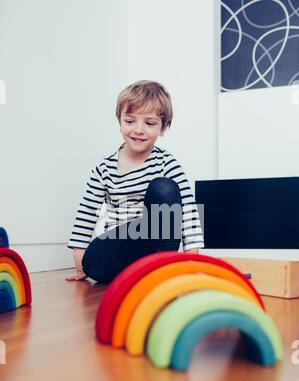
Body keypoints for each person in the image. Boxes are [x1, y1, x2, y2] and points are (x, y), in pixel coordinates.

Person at [66, 80, 203, 283]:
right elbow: (87, 211)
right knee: (91, 261)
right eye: (130, 121)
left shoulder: (166, 162)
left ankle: (160, 267)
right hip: (122, 245)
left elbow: (189, 210)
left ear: (163, 128)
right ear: (119, 121)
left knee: (164, 187)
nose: (138, 130)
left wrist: (193, 258)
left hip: (156, 239)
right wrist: (80, 259)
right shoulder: (104, 167)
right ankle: (136, 273)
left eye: (149, 123)